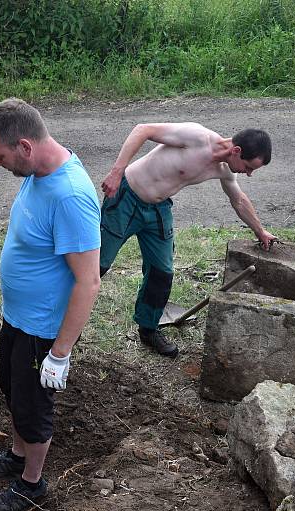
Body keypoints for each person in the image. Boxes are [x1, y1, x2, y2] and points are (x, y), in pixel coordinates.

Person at [0, 98, 101, 511]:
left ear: (25, 147)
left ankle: (32, 483)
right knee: (13, 391)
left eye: (1, 156)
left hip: (42, 329)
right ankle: (15, 454)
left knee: (33, 407)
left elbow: (89, 280)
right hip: (17, 318)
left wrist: (59, 354)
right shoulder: (38, 173)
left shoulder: (71, 196)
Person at [100, 122, 277, 357]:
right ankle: (59, 325)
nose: (249, 173)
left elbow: (238, 200)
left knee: (162, 273)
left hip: (158, 209)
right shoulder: (196, 137)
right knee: (96, 267)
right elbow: (143, 130)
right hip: (126, 197)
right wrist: (116, 171)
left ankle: (148, 328)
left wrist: (260, 231)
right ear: (236, 151)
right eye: (248, 166)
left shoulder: (225, 170)